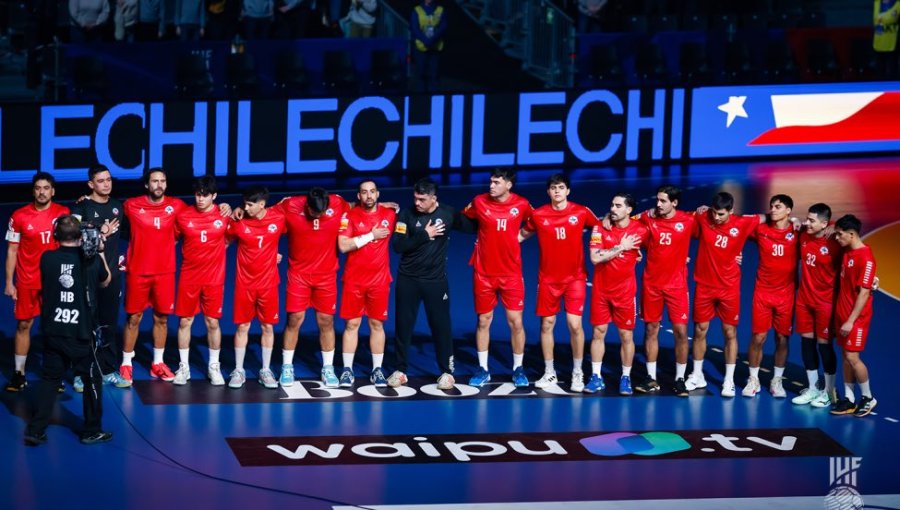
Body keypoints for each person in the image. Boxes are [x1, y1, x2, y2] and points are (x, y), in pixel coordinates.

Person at [24, 215, 113, 446]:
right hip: (81, 335)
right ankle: (91, 429)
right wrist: (99, 251)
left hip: (54, 331)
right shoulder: (89, 261)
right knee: (92, 380)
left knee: (50, 379)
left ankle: (36, 429)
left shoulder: (47, 259)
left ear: (56, 235)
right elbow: (105, 281)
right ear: (80, 236)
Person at [519, 174, 598, 392]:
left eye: (561, 188)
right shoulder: (538, 214)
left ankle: (577, 372)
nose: (557, 191)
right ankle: (549, 372)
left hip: (575, 279)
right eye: (553, 188)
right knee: (547, 325)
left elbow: (603, 228)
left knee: (575, 325)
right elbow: (520, 236)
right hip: (547, 280)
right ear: (548, 192)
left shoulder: (581, 212)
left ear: (568, 191)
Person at [389, 178, 468, 390]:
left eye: (422, 199)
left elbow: (472, 226)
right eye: (415, 198)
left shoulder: (448, 214)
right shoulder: (406, 215)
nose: (417, 203)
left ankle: (447, 373)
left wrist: (481, 208)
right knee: (403, 327)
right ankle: (400, 370)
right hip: (408, 280)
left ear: (434, 198)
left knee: (441, 327)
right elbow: (398, 246)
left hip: (436, 282)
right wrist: (425, 235)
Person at [269, 187, 350, 388]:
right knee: (294, 319)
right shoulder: (289, 206)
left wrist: (380, 205)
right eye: (315, 212)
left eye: (323, 212)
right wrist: (235, 210)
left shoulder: (337, 202)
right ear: (307, 206)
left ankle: (328, 368)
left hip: (327, 276)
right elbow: (264, 216)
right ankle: (287, 366)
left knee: (326, 321)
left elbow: (355, 209)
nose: (319, 216)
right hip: (298, 276)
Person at [462, 168, 533, 388]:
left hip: (511, 274)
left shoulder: (521, 204)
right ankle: (483, 369)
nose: (491, 186)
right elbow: (465, 218)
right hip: (484, 273)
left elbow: (536, 220)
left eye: (496, 182)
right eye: (490, 182)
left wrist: (520, 237)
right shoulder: (479, 201)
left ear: (509, 185)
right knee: (484, 321)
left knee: (516, 322)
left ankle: (518, 368)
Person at [686, 192, 760, 397]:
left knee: (730, 333)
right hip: (704, 286)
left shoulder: (743, 223)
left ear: (731, 211)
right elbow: (682, 221)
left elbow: (766, 218)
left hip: (729, 288)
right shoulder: (703, 216)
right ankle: (697, 374)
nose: (716, 217)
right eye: (714, 212)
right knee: (700, 329)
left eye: (721, 214)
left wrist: (795, 220)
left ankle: (728, 380)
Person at [120, 168, 186, 385]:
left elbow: (199, 216)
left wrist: (224, 207)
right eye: (155, 181)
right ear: (147, 185)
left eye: (163, 181)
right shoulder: (131, 205)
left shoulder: (176, 206)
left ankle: (157, 363)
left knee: (162, 319)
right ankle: (126, 363)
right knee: (134, 318)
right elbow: (108, 213)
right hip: (137, 271)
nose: (159, 185)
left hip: (165, 272)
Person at [5, 172, 70, 392]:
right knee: (24, 325)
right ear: (33, 191)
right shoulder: (19, 216)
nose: (42, 192)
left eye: (46, 188)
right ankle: (19, 374)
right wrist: (8, 282)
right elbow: (12, 250)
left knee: (55, 329)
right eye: (38, 188)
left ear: (53, 191)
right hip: (27, 281)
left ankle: (55, 375)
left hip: (55, 282)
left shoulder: (63, 213)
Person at [632, 185, 696, 396]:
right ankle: (651, 378)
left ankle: (680, 379)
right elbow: (625, 220)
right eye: (657, 200)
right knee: (651, 329)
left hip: (677, 286)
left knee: (681, 332)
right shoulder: (648, 217)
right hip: (652, 285)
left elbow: (715, 231)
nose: (657, 204)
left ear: (674, 203)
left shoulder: (688, 220)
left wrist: (733, 255)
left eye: (663, 201)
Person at [70, 165, 130, 391]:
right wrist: (98, 231)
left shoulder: (117, 207)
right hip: (88, 275)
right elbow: (72, 235)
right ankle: (81, 374)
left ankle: (108, 370)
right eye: (101, 181)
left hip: (112, 277)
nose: (106, 184)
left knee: (108, 325)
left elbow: (130, 234)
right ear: (90, 184)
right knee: (85, 325)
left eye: (108, 180)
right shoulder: (82, 206)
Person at [586, 193, 648, 395]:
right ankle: (596, 377)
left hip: (625, 293)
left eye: (618, 205)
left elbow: (660, 245)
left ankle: (626, 377)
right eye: (611, 205)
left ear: (629, 210)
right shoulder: (600, 228)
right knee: (598, 333)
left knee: (626, 335)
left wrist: (683, 257)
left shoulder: (639, 230)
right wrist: (621, 247)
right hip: (601, 292)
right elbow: (595, 257)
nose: (613, 209)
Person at [336, 180, 396, 387]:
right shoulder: (349, 216)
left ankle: (377, 370)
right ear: (358, 196)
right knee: (352, 324)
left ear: (378, 194)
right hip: (354, 280)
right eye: (364, 192)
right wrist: (371, 235)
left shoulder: (390, 214)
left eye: (372, 192)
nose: (369, 196)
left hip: (379, 281)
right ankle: (347, 370)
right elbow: (343, 246)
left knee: (376, 324)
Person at [226, 186, 286, 389]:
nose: (246, 207)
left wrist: (278, 255)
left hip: (269, 284)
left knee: (267, 327)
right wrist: (229, 208)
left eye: (250, 204)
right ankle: (239, 370)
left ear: (262, 204)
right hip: (244, 284)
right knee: (243, 326)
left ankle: (265, 370)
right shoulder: (239, 220)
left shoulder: (278, 218)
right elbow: (221, 241)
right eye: (244, 203)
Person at [173, 177, 230, 386]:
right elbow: (171, 239)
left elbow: (231, 238)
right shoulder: (183, 216)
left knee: (212, 322)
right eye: (197, 194)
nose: (200, 199)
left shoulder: (225, 216)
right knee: (185, 321)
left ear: (214, 196)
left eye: (205, 195)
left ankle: (214, 366)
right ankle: (184, 367)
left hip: (214, 278)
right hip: (189, 277)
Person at [743, 195, 800, 398]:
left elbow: (828, 225)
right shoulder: (761, 230)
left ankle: (777, 381)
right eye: (771, 206)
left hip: (786, 295)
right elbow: (738, 226)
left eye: (778, 207)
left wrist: (796, 221)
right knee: (758, 337)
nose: (773, 210)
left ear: (789, 211)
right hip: (762, 293)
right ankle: (753, 379)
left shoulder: (797, 231)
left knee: (782, 338)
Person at [792, 203, 841, 408]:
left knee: (825, 346)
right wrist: (796, 221)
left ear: (824, 223)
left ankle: (829, 392)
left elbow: (853, 231)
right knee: (806, 344)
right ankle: (813, 388)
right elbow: (791, 222)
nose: (807, 222)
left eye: (812, 220)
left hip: (825, 303)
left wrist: (835, 225)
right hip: (805, 300)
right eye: (807, 219)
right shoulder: (804, 235)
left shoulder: (835, 242)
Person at [829, 214, 878, 417]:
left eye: (840, 235)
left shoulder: (865, 259)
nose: (836, 238)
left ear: (851, 234)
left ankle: (868, 397)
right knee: (845, 357)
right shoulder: (847, 251)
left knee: (852, 357)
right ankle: (849, 399)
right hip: (842, 314)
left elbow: (865, 293)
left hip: (855, 319)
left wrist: (850, 321)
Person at [410, 0, 446, 92]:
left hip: (435, 48)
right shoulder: (416, 10)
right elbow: (414, 28)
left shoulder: (440, 10)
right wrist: (426, 40)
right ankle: (421, 98)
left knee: (434, 75)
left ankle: (434, 99)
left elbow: (443, 26)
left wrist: (432, 39)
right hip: (421, 48)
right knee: (420, 74)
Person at [873, 0, 900, 77]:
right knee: (879, 72)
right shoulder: (876, 3)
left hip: (892, 43)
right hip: (878, 42)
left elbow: (892, 19)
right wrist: (886, 18)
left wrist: (881, 18)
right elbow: (875, 19)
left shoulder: (898, 4)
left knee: (892, 71)